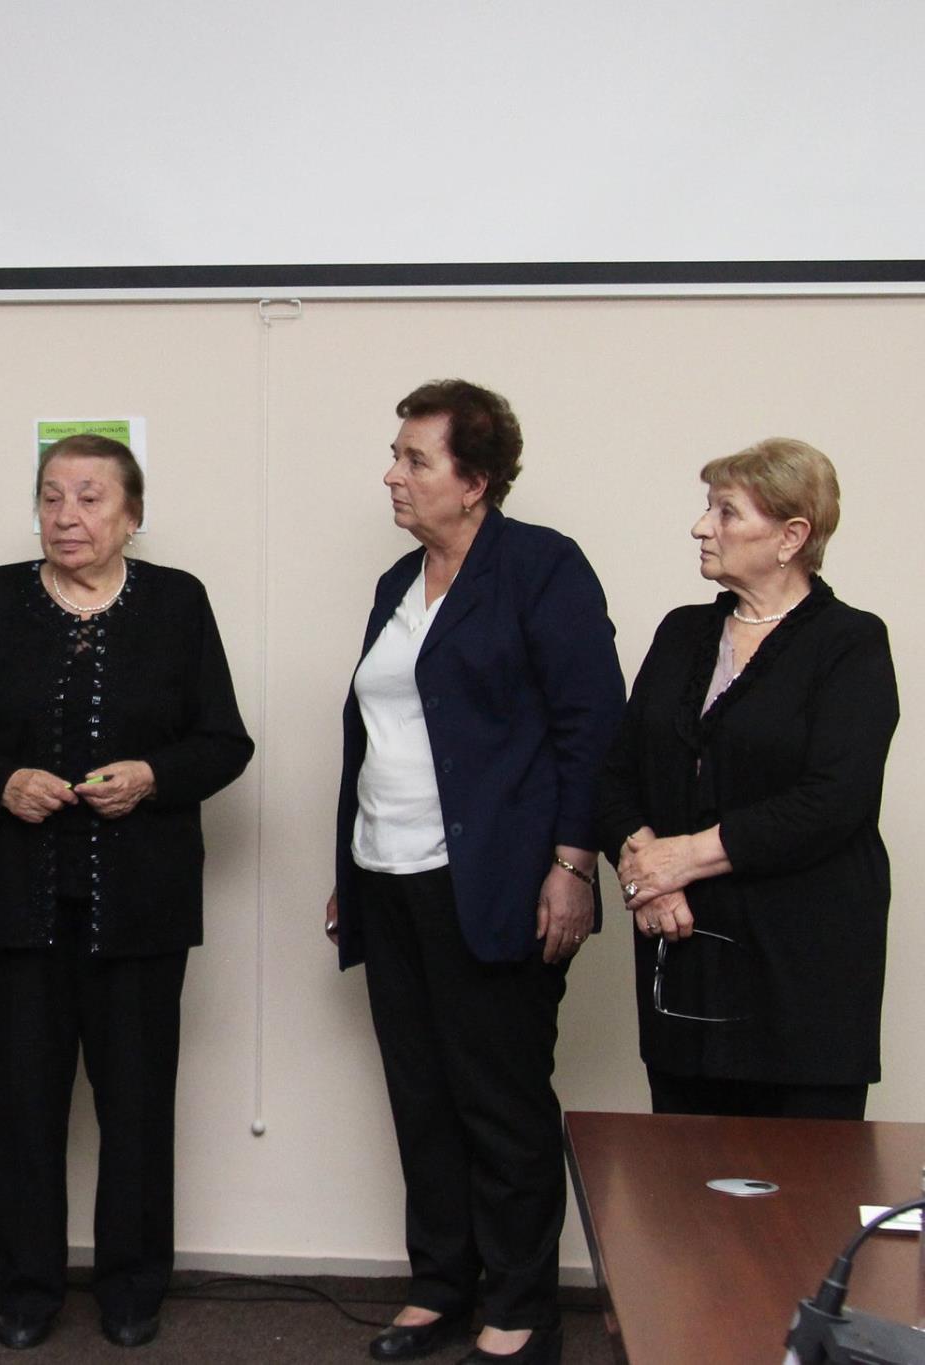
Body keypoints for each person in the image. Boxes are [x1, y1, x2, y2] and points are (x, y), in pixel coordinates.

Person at [0, 434, 252, 1352]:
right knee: (23, 1103)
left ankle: (133, 1285)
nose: (68, 516)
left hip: (140, 904)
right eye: (52, 497)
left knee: (137, 1105)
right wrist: (1, 783)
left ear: (132, 515)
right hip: (14, 901)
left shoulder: (178, 603)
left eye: (91, 498)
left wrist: (152, 775)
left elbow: (225, 741)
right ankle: (28, 1288)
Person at [326, 381, 624, 1365]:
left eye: (414, 458)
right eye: (396, 454)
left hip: (496, 879)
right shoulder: (396, 582)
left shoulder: (540, 567)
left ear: (475, 480)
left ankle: (520, 1306)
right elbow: (379, 734)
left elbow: (593, 725)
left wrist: (571, 863)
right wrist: (352, 863)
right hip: (387, 874)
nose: (392, 474)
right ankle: (440, 1287)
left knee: (499, 1099)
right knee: (421, 1095)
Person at [596, 439, 897, 1120]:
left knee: (802, 1181)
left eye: (726, 512)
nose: (702, 527)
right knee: (683, 1170)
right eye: (708, 508)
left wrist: (681, 859)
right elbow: (615, 774)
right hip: (684, 965)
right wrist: (644, 869)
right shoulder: (681, 633)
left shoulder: (851, 643)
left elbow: (834, 800)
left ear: (792, 536)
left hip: (803, 977)